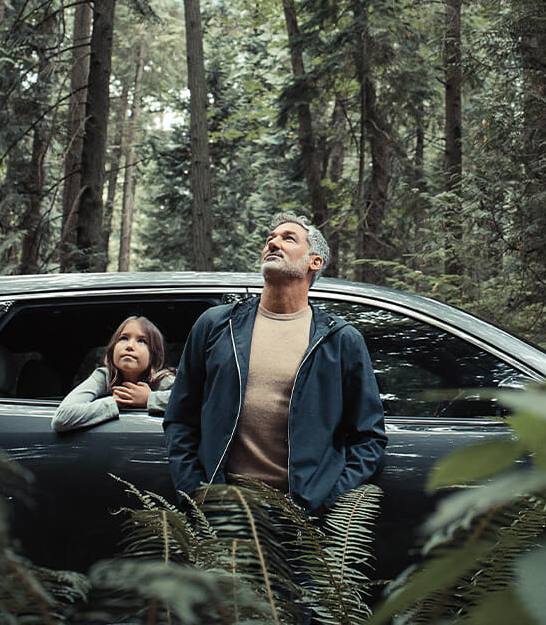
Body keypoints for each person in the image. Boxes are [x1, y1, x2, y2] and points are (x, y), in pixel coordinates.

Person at [163, 212, 386, 514]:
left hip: (303, 522)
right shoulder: (217, 325)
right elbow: (180, 417)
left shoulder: (340, 339)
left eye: (288, 238)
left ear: (314, 261)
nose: (273, 243)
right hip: (224, 513)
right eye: (270, 239)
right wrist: (195, 493)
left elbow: (368, 437)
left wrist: (326, 499)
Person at [51, 315, 176, 432]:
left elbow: (192, 403)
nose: (130, 346)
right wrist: (115, 402)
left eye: (142, 341)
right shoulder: (105, 376)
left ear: (154, 356)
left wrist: (149, 398)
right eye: (123, 338)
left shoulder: (162, 378)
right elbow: (62, 417)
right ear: (112, 349)